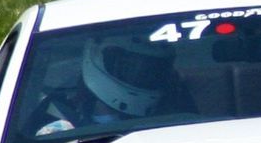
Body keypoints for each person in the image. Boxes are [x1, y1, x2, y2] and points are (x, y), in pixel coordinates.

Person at [33, 35, 178, 136]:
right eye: (129, 66)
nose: (141, 76)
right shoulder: (59, 123)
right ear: (99, 58)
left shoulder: (171, 116)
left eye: (152, 71)